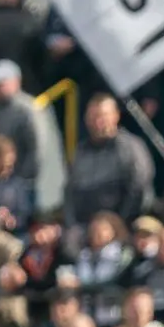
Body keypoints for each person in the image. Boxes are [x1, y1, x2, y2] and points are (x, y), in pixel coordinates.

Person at [63, 95, 154, 232]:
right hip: (84, 229)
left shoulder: (131, 148)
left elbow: (139, 189)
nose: (98, 122)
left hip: (120, 227)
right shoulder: (80, 152)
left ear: (115, 116)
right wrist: (71, 226)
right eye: (93, 116)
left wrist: (119, 224)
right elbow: (70, 191)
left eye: (103, 116)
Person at [0, 60, 40, 187]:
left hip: (20, 180)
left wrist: (24, 179)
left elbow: (35, 148)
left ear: (16, 82)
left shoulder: (28, 109)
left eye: (1, 84)